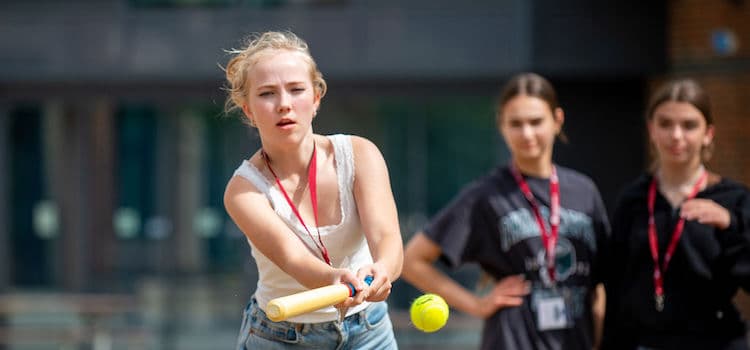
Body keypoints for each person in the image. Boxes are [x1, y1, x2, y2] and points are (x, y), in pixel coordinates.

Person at [402, 72, 610, 350]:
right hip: (512, 340)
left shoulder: (584, 191)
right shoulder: (486, 195)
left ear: (557, 120)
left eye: (536, 122)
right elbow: (412, 260)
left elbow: (599, 283)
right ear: (502, 126)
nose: (526, 133)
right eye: (516, 124)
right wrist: (476, 305)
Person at [222, 31, 402, 350]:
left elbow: (387, 238)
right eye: (267, 94)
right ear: (248, 110)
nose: (284, 105)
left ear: (316, 99)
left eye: (296, 90)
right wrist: (335, 278)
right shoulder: (242, 191)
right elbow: (294, 259)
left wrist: (384, 269)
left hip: (369, 328)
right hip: (279, 336)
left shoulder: (361, 154)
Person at [601, 79, 750, 350]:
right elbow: (615, 287)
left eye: (689, 125)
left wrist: (730, 225)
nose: (676, 135)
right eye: (666, 124)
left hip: (716, 342)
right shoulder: (633, 199)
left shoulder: (733, 200)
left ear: (708, 133)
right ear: (651, 130)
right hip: (646, 343)